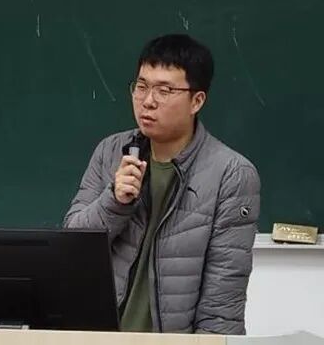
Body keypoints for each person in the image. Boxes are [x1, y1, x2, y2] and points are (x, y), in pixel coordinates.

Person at [64, 34, 260, 334]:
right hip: (100, 335)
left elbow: (222, 305)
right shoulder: (110, 152)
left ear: (197, 101)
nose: (148, 101)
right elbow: (72, 247)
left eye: (164, 90)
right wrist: (114, 201)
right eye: (141, 87)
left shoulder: (231, 174)